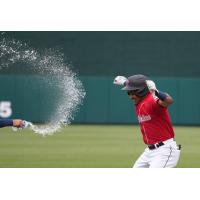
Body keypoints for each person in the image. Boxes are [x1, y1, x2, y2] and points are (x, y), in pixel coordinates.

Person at [113, 74, 181, 168]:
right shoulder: (140, 101)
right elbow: (134, 86)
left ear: (141, 91)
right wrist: (125, 82)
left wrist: (156, 91)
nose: (130, 96)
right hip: (149, 151)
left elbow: (168, 101)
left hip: (164, 151)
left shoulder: (151, 100)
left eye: (133, 93)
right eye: (128, 93)